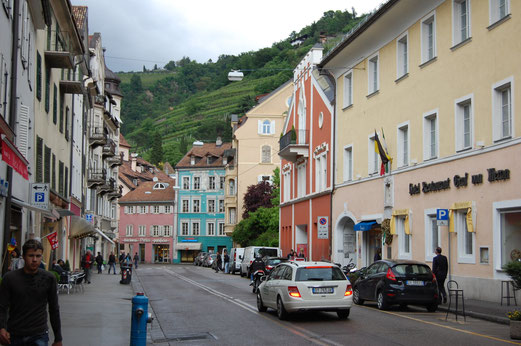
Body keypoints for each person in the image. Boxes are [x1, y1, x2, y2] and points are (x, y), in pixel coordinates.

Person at [0, 239, 62, 346]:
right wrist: (2, 328)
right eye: (31, 255)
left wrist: (58, 338)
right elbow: (2, 306)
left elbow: (54, 309)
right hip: (14, 334)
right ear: (23, 256)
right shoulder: (10, 278)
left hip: (39, 334)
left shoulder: (48, 278)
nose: (34, 260)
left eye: (38, 256)